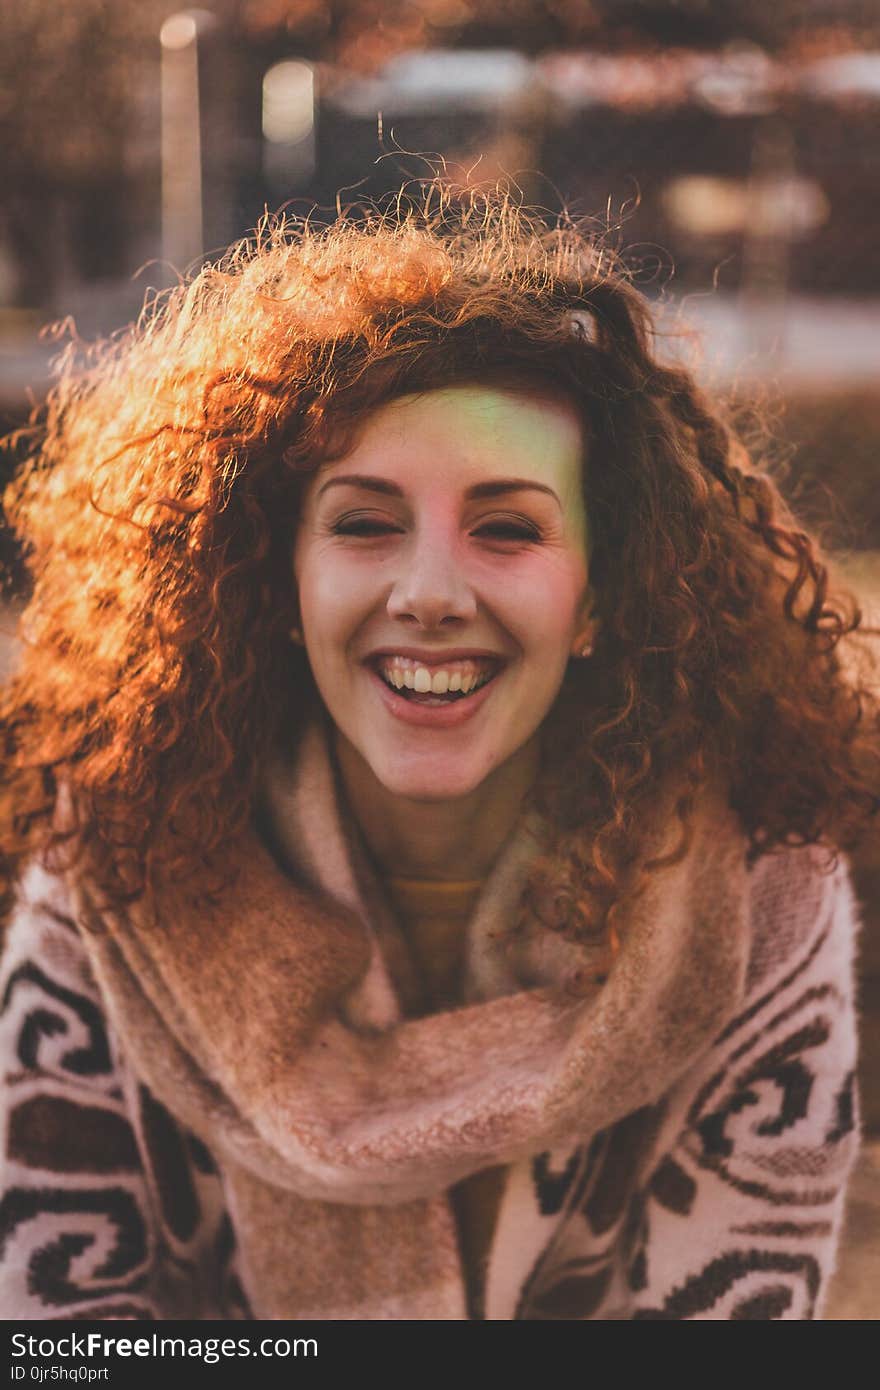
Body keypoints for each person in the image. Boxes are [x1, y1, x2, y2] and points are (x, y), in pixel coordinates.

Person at [0, 192, 876, 1321]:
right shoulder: (113, 864)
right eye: (363, 523)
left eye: (506, 527)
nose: (427, 593)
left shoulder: (758, 899)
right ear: (278, 578)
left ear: (600, 596)